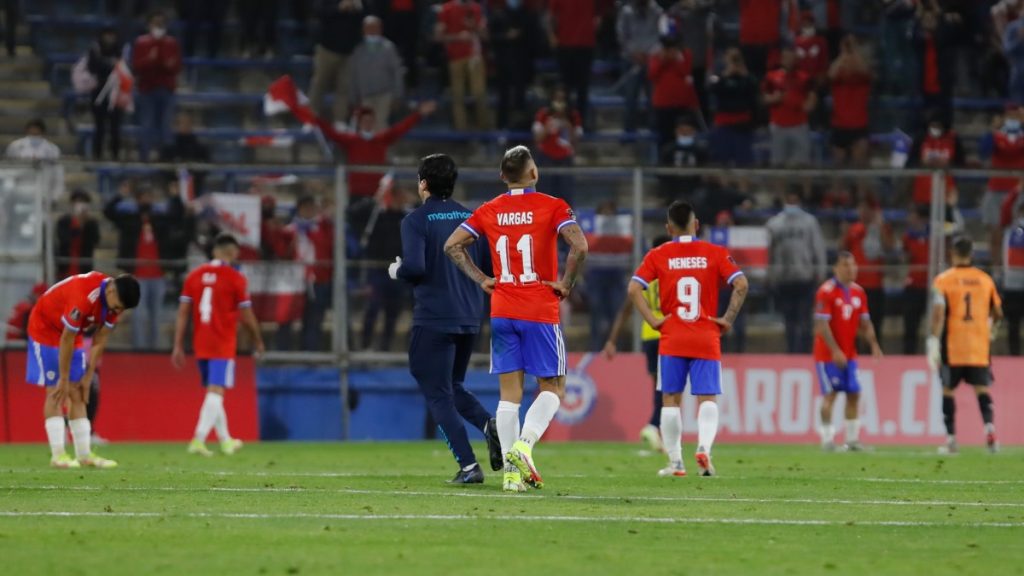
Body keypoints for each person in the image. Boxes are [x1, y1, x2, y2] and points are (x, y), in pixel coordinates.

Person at [444, 145, 589, 492]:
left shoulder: (489, 209)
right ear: (534, 173)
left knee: (509, 395)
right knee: (553, 387)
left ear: (502, 176)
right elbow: (580, 246)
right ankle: (523, 448)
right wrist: (566, 283)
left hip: (503, 311)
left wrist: (482, 279)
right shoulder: (553, 206)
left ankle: (511, 476)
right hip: (539, 309)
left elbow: (452, 245)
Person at [389, 153, 501, 483]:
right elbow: (489, 268)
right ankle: (489, 424)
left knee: (436, 391)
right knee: (452, 385)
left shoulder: (415, 220)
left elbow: (415, 267)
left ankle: (469, 466)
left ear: (423, 183)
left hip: (434, 316)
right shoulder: (472, 217)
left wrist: (397, 271)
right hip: (470, 315)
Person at [627, 200, 748, 477]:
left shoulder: (658, 254)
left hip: (673, 337)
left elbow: (634, 289)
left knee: (670, 399)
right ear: (696, 225)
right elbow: (741, 284)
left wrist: (653, 320)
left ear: (669, 228)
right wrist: (728, 319)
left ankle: (676, 463)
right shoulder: (715, 252)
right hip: (706, 334)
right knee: (707, 398)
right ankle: (704, 449)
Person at [26, 272, 140, 468]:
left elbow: (100, 339)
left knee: (78, 392)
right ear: (111, 290)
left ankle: (85, 456)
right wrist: (63, 378)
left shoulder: (113, 304)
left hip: (72, 333)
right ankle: (58, 456)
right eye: (117, 307)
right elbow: (66, 338)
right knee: (56, 390)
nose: (117, 312)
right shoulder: (83, 295)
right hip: (45, 330)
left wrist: (89, 375)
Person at [173, 233, 265, 456]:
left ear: (214, 252)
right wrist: (257, 340)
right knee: (216, 391)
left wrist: (177, 345)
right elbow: (247, 315)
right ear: (233, 253)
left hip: (201, 342)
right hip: (222, 342)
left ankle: (225, 440)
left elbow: (183, 313)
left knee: (214, 392)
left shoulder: (194, 276)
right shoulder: (235, 278)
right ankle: (198, 439)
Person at [927, 236, 1003, 454]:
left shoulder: (943, 280)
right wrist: (991, 329)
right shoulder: (985, 280)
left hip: (953, 346)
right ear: (972, 254)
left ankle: (951, 440)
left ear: (952, 253)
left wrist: (933, 340)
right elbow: (998, 312)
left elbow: (939, 313)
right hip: (979, 347)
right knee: (982, 389)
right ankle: (990, 432)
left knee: (948, 390)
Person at [602, 235, 672, 452]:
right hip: (669, 333)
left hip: (649, 335)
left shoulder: (646, 275)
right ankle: (655, 425)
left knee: (658, 385)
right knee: (668, 387)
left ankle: (658, 431)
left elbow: (626, 309)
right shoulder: (673, 272)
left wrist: (612, 340)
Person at [813, 252, 883, 452]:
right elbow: (821, 325)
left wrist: (874, 344)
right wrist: (835, 351)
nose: (851, 269)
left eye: (853, 265)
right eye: (845, 265)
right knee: (831, 395)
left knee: (854, 393)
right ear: (836, 268)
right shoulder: (826, 291)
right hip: (827, 355)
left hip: (850, 354)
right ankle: (827, 440)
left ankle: (852, 440)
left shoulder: (858, 292)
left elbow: (865, 322)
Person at [105, 180, 188, 350]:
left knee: (157, 315)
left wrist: (175, 197)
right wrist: (119, 196)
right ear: (137, 199)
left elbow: (177, 216)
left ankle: (155, 350)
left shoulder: (159, 220)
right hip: (137, 275)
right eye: (143, 196)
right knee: (139, 315)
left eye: (149, 196)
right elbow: (109, 212)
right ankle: (139, 349)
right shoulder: (129, 219)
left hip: (158, 274)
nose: (146, 200)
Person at [766, 190, 828, 354]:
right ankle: (792, 351)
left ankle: (805, 353)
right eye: (789, 200)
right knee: (789, 320)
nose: (792, 204)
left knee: (805, 319)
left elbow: (818, 248)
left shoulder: (810, 222)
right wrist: (770, 276)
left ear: (799, 201)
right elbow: (769, 252)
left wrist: (820, 273)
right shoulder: (774, 223)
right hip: (783, 278)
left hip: (805, 276)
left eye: (794, 200)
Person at [841, 198, 895, 345]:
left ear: (873, 211)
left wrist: (880, 226)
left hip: (875, 285)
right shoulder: (854, 229)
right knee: (853, 323)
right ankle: (853, 352)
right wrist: (844, 233)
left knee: (875, 323)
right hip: (855, 285)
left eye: (866, 209)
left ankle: (874, 351)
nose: (863, 212)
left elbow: (889, 247)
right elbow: (842, 249)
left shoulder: (882, 228)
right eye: (860, 209)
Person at [132, 11, 182, 162]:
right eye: (156, 23)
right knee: (146, 125)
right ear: (149, 25)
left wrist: (169, 65)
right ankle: (144, 158)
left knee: (166, 126)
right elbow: (136, 66)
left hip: (166, 89)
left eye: (161, 23)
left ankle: (165, 159)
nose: (158, 26)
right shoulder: (141, 42)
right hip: (146, 90)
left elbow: (177, 67)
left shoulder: (172, 43)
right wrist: (149, 60)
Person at [309, 0, 365, 128]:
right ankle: (311, 118)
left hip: (349, 50)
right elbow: (318, 11)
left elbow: (367, 13)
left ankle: (339, 120)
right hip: (327, 47)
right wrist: (339, 7)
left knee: (344, 87)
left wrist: (358, 6)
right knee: (319, 84)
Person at [435, 0, 490, 130]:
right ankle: (461, 128)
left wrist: (475, 27)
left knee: (479, 93)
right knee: (457, 96)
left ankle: (484, 127)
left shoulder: (476, 8)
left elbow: (485, 36)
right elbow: (438, 37)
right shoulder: (447, 9)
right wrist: (458, 37)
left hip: (475, 56)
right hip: (455, 58)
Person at [983, 105, 1024, 273]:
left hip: (1020, 189)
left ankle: (1017, 269)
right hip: (997, 188)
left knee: (1019, 231)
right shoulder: (995, 136)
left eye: (1016, 115)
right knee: (996, 233)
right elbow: (984, 152)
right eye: (1009, 115)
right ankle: (997, 271)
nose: (1013, 119)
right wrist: (993, 130)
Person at [762, 47, 816, 168]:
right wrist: (774, 98)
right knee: (778, 164)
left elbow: (812, 97)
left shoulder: (805, 77)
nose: (788, 60)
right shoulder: (771, 77)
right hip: (778, 126)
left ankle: (804, 181)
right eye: (786, 57)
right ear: (781, 59)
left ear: (795, 59)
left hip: (799, 125)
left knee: (803, 164)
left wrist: (809, 104)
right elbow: (764, 98)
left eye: (791, 57)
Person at [349, 16, 405, 130]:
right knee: (366, 127)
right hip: (365, 95)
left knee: (380, 124)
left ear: (380, 29)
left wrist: (397, 95)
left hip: (385, 94)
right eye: (368, 28)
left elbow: (397, 72)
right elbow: (354, 75)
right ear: (363, 30)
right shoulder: (358, 50)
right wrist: (353, 97)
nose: (372, 31)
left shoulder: (389, 48)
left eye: (375, 28)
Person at [547, 0, 598, 126]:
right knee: (564, 88)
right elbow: (551, 16)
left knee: (583, 87)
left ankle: (580, 123)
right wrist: (552, 36)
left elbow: (600, 13)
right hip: (565, 44)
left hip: (585, 44)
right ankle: (565, 122)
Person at [490, 0, 538, 130]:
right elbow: (492, 37)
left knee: (520, 96)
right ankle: (501, 125)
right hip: (503, 63)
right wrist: (506, 36)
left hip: (523, 63)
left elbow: (535, 39)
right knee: (503, 95)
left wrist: (522, 36)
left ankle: (518, 127)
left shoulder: (529, 15)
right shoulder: (499, 15)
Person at [617, 0, 663, 135]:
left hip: (652, 61)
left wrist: (650, 53)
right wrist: (634, 52)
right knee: (630, 98)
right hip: (631, 60)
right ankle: (629, 133)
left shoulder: (658, 12)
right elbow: (621, 34)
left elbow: (661, 36)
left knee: (653, 98)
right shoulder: (626, 12)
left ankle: (654, 132)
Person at [708, 47, 758, 170]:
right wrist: (726, 74)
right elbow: (712, 88)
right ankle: (724, 183)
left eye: (737, 58)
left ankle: (743, 183)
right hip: (723, 122)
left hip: (742, 122)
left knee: (744, 161)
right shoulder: (718, 74)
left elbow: (755, 92)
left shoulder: (747, 76)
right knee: (722, 160)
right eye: (731, 58)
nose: (734, 62)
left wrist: (745, 75)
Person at [828, 34, 872, 170]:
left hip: (859, 125)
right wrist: (843, 53)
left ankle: (860, 186)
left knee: (860, 166)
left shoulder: (862, 76)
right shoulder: (838, 75)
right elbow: (831, 74)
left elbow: (864, 68)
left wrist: (854, 50)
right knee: (838, 167)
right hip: (839, 125)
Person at [648, 33, 700, 149]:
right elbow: (652, 75)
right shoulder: (656, 56)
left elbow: (686, 72)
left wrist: (676, 59)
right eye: (668, 47)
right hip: (663, 104)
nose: (671, 49)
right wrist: (663, 60)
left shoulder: (685, 54)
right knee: (665, 139)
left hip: (682, 104)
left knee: (684, 137)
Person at [532, 86, 581, 205]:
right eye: (557, 99)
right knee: (545, 193)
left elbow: (577, 140)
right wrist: (547, 128)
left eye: (562, 100)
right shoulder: (543, 114)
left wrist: (568, 126)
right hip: (546, 157)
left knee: (566, 193)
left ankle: (567, 216)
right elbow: (537, 138)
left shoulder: (573, 115)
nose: (559, 103)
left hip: (565, 159)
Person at [87, 27, 125, 160]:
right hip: (99, 91)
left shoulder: (120, 50)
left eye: (112, 35)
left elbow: (123, 68)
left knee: (115, 126)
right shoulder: (95, 49)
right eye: (107, 35)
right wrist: (109, 64)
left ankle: (115, 155)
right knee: (99, 126)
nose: (109, 38)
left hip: (116, 91)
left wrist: (106, 64)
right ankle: (97, 154)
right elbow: (93, 67)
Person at [901, 205, 930, 355]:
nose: (909, 218)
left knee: (935, 325)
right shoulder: (908, 236)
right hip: (913, 286)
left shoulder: (935, 235)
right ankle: (909, 355)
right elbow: (904, 258)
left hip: (931, 286)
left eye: (912, 215)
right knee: (910, 325)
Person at [56, 190, 101, 280]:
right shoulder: (64, 221)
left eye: (84, 203)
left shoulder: (91, 223)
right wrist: (77, 224)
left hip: (84, 266)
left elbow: (95, 241)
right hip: (66, 265)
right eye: (79, 202)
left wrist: (84, 224)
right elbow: (64, 240)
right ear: (72, 204)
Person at [1005, 202, 1024, 356]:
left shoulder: (1009, 232)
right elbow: (1012, 259)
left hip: (1011, 285)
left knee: (1013, 325)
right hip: (1013, 285)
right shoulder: (1012, 232)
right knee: (1013, 325)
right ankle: (1014, 355)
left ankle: (1014, 354)